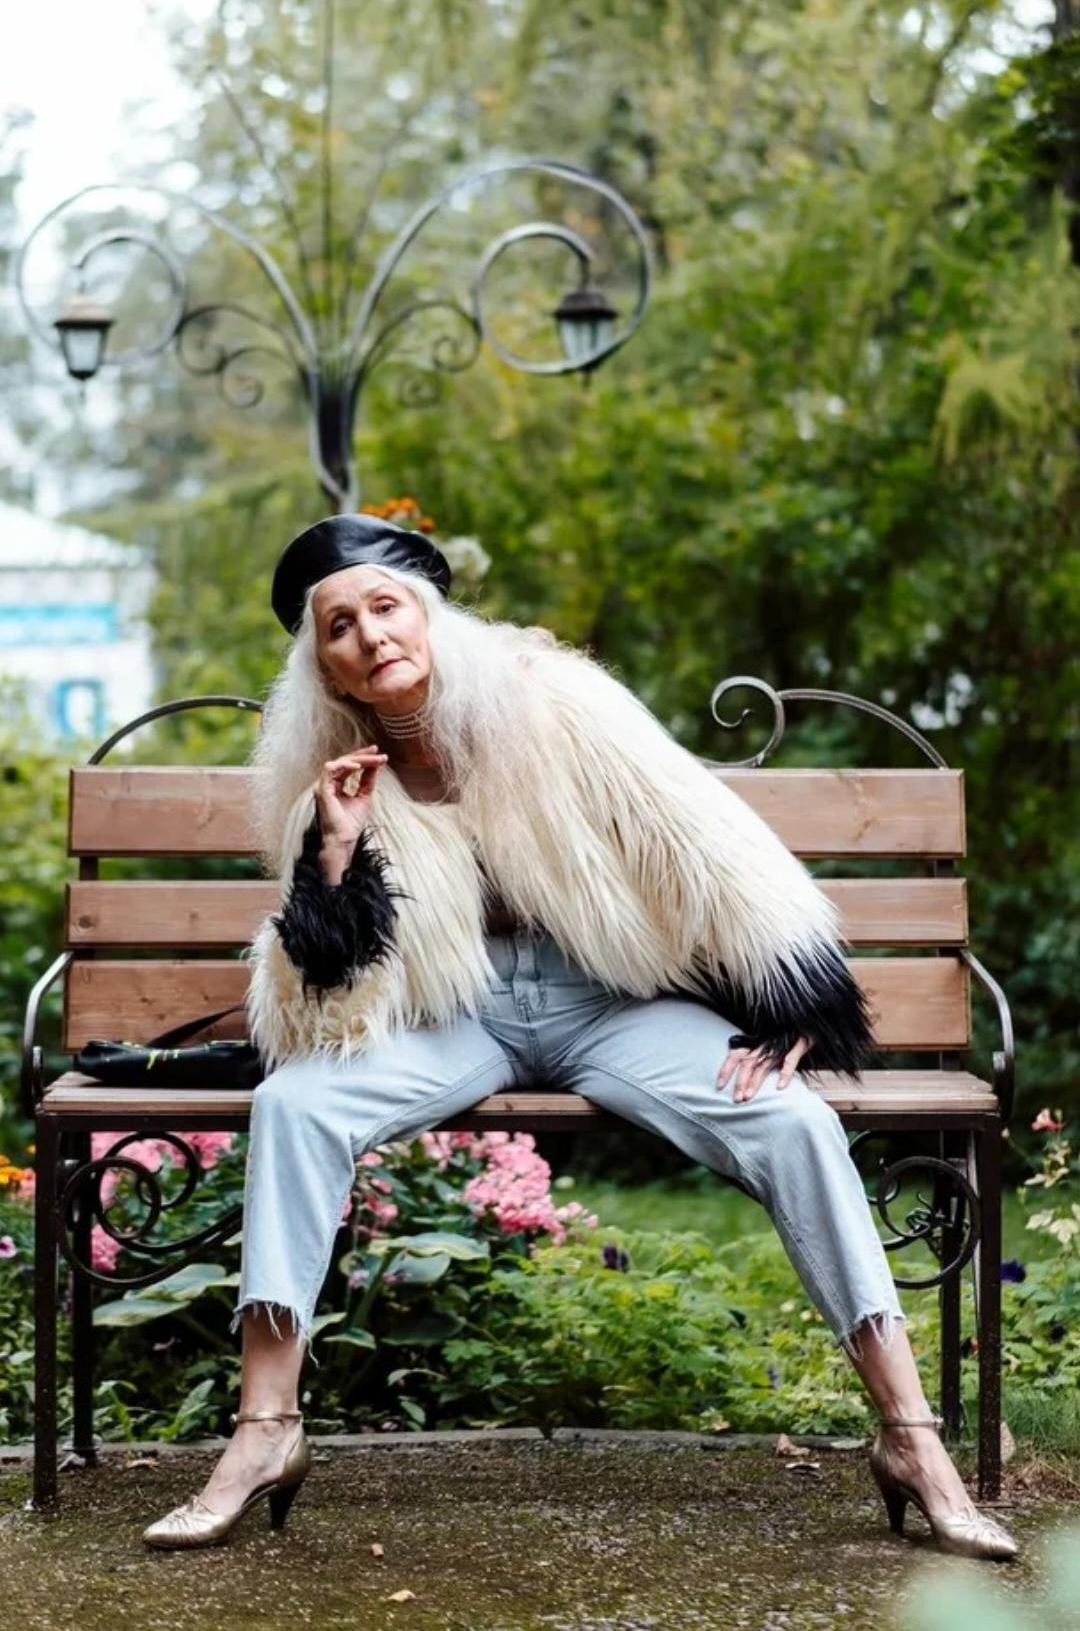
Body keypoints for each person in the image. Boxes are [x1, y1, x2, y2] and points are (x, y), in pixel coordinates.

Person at [143, 515, 1017, 1560]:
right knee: (295, 1105)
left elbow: (702, 840)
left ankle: (910, 1437)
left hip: (612, 1000)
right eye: (340, 626)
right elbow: (321, 1012)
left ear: (430, 617)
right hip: (458, 1018)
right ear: (324, 668)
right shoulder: (333, 780)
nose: (370, 635)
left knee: (791, 1123)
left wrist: (797, 1000)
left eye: (386, 607)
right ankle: (265, 1429)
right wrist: (333, 857)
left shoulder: (555, 702)